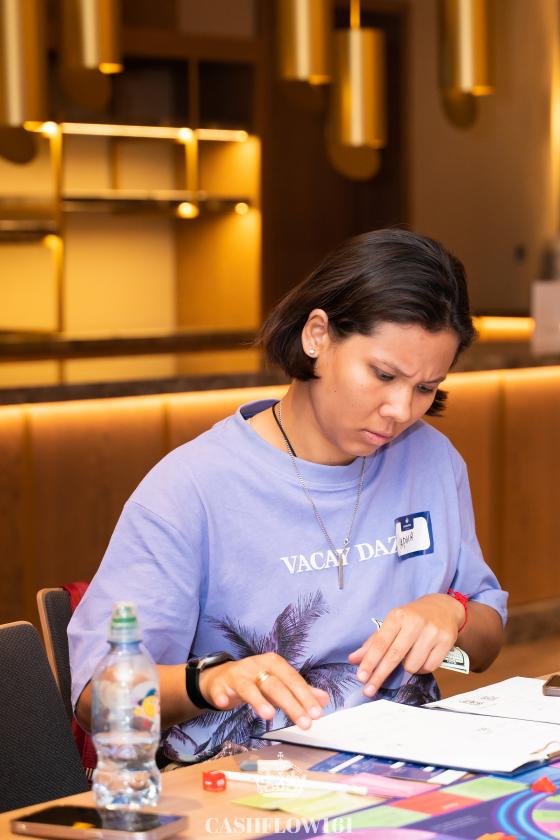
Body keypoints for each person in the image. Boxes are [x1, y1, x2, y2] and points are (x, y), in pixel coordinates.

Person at [69, 228, 507, 763]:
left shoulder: (432, 461)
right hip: (241, 787)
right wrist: (209, 681)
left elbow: (483, 649)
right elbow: (97, 704)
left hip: (408, 772)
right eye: (383, 374)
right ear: (317, 335)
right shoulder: (191, 487)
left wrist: (451, 614)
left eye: (425, 388)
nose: (400, 410)